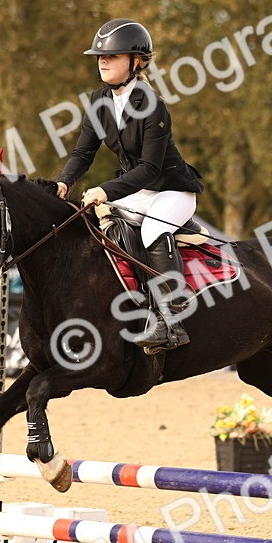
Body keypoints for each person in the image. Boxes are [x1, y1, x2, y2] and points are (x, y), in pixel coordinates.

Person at [56, 19, 204, 353]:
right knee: (98, 226)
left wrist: (105, 190)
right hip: (138, 191)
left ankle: (171, 321)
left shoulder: (153, 105)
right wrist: (64, 183)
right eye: (99, 56)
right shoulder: (98, 100)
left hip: (171, 190)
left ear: (135, 62)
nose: (102, 61)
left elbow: (151, 169)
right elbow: (83, 152)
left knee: (152, 230)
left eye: (112, 56)